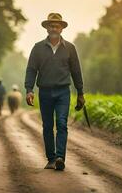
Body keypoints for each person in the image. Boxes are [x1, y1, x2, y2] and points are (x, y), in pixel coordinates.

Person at [24, 13, 85, 171]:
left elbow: (76, 71)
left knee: (62, 123)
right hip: (44, 92)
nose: (54, 28)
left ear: (62, 29)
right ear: (46, 28)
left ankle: (60, 157)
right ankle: (51, 159)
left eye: (57, 26)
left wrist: (80, 92)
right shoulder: (38, 48)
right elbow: (31, 70)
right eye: (51, 25)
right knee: (47, 126)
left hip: (63, 92)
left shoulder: (70, 48)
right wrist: (29, 90)